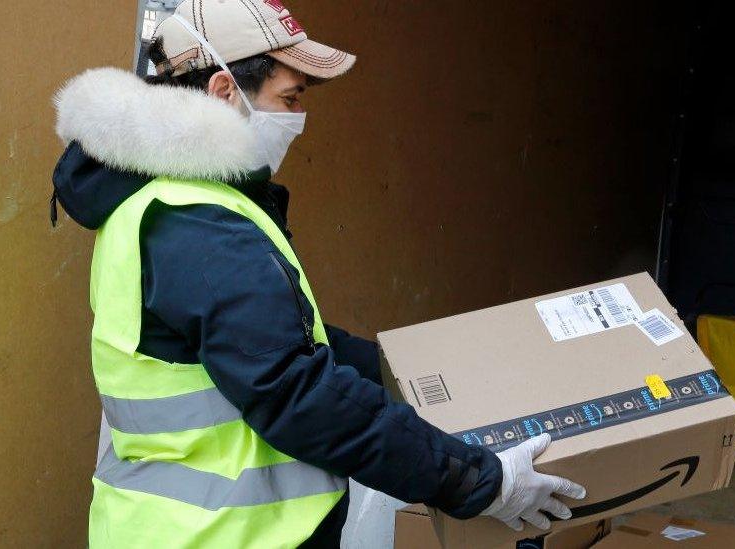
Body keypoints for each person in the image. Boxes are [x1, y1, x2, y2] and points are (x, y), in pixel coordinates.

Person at [51, 1, 585, 547]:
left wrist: (412, 371)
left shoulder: (157, 200)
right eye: (289, 98)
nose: (297, 121)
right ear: (222, 91)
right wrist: (483, 484)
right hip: (221, 535)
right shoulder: (198, 222)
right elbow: (298, 393)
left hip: (177, 527)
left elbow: (277, 344)